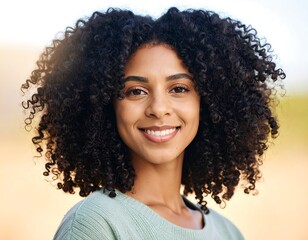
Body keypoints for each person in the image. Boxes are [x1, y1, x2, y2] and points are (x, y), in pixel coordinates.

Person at [21, 7, 285, 239]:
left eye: (179, 88)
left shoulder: (227, 232)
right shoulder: (94, 225)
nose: (158, 109)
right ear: (105, 106)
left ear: (208, 101)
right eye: (135, 91)